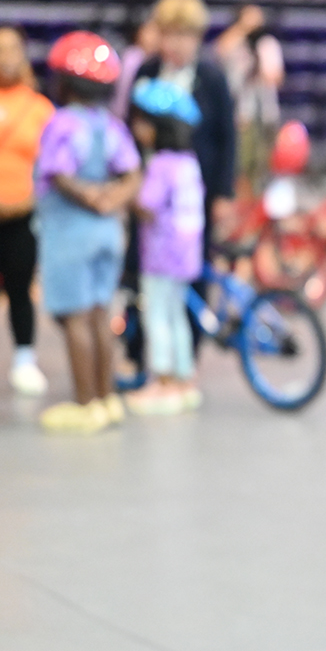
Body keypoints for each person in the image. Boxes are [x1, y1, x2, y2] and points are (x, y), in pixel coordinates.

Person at [34, 32, 141, 433]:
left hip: (70, 234)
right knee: (99, 314)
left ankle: (85, 404)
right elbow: (132, 173)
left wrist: (91, 197)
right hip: (107, 235)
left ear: (61, 81)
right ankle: (107, 397)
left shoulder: (61, 124)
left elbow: (58, 174)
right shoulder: (110, 126)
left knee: (75, 317)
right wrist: (113, 199)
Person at [135, 0, 235, 265]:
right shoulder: (148, 72)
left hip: (196, 190)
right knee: (145, 262)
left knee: (192, 263)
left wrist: (223, 194)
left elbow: (227, 138)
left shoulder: (211, 78)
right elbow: (132, 127)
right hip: (152, 189)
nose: (177, 44)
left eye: (185, 35)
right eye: (170, 35)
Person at [124, 79, 205, 416]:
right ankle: (184, 380)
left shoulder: (160, 166)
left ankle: (162, 381)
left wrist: (127, 191)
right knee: (177, 316)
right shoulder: (188, 162)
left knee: (157, 316)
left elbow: (147, 205)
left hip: (160, 257)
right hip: (186, 255)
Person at [0, 24, 55, 396]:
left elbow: (53, 167)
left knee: (20, 287)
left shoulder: (39, 108)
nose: (5, 57)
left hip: (23, 215)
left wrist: (30, 202)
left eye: (12, 49)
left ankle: (25, 358)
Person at [213, 4, 284, 200]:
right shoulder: (236, 42)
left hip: (267, 112)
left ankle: (259, 205)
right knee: (241, 166)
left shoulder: (267, 44)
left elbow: (276, 77)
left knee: (265, 165)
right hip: (243, 114)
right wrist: (243, 29)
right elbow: (220, 49)